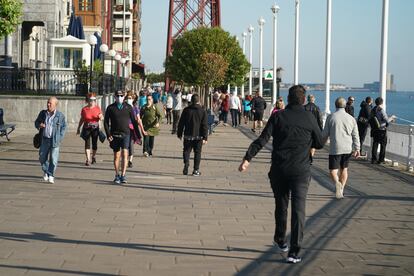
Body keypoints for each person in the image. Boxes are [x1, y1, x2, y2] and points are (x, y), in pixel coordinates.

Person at [239, 85, 324, 264]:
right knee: (299, 210)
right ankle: (294, 252)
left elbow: (263, 139)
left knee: (281, 205)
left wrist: (248, 158)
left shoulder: (278, 116)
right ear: (303, 99)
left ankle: (280, 239)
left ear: (289, 98)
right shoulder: (309, 117)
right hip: (301, 171)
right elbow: (320, 142)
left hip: (279, 169)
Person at [322, 97, 360, 199]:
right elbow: (355, 135)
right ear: (345, 105)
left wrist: (321, 142)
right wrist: (357, 148)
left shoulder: (331, 117)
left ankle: (337, 183)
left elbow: (325, 133)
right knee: (344, 169)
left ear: (335, 105)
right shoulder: (351, 118)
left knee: (333, 171)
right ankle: (341, 189)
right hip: (347, 148)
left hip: (335, 147)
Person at [104, 90, 142, 184]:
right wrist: (108, 135)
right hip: (114, 135)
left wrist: (138, 136)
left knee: (125, 154)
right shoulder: (110, 108)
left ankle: (123, 175)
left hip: (126, 134)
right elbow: (105, 122)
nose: (120, 97)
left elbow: (134, 121)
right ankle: (117, 175)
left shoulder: (128, 107)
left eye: (121, 95)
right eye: (118, 96)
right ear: (115, 97)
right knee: (117, 155)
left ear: (124, 96)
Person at [35, 96, 67, 184]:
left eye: (50, 103)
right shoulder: (43, 113)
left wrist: (60, 137)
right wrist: (39, 125)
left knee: (53, 159)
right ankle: (46, 171)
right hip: (44, 139)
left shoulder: (60, 116)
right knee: (42, 158)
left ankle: (51, 175)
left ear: (55, 105)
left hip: (54, 140)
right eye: (48, 102)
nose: (48, 104)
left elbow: (64, 127)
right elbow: (36, 122)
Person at [177, 94, 208, 176]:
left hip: (188, 135)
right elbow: (204, 125)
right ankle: (195, 170)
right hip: (198, 136)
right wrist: (205, 137)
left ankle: (186, 163)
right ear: (198, 101)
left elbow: (181, 123)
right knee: (197, 153)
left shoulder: (186, 110)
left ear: (191, 100)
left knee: (186, 151)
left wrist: (179, 133)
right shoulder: (202, 111)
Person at [76, 93, 103, 166]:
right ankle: (88, 159)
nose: (93, 101)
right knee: (87, 144)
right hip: (86, 128)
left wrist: (101, 117)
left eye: (94, 100)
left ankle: (93, 156)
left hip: (95, 128)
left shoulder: (97, 108)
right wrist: (78, 128)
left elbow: (102, 117)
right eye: (91, 100)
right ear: (88, 100)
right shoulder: (84, 109)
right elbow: (82, 119)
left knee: (94, 144)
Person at [370, 97, 395, 164]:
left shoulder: (373, 110)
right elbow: (387, 120)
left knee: (375, 144)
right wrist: (392, 118)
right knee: (383, 145)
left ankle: (373, 159)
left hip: (374, 129)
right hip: (382, 130)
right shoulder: (381, 110)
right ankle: (381, 159)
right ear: (381, 102)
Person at [126, 91, 146, 168]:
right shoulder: (123, 107)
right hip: (123, 128)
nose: (129, 100)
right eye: (128, 98)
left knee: (130, 145)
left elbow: (139, 120)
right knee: (124, 145)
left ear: (133, 99)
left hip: (132, 129)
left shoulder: (135, 108)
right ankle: (125, 158)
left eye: (130, 98)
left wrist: (142, 130)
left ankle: (130, 160)